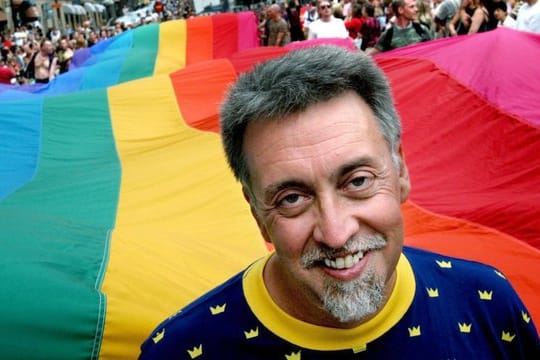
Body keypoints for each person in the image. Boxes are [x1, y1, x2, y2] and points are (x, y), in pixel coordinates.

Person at [139, 46, 539, 359]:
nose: (335, 232)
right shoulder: (177, 352)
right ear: (257, 214)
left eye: (358, 182)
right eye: (292, 198)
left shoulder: (489, 304)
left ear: (400, 172)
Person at [368, 0, 433, 54]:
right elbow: (373, 55)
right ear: (400, 10)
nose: (417, 9)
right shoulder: (388, 35)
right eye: (412, 7)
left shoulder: (422, 30)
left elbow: (434, 49)